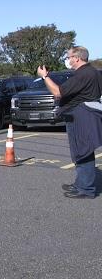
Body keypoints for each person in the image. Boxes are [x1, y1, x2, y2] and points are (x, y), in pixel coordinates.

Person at [38, 46, 102, 199]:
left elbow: (58, 92)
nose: (67, 60)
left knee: (84, 151)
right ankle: (81, 183)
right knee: (80, 151)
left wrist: (44, 76)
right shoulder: (92, 72)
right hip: (81, 115)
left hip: (83, 117)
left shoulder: (84, 74)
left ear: (77, 58)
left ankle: (86, 189)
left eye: (68, 57)